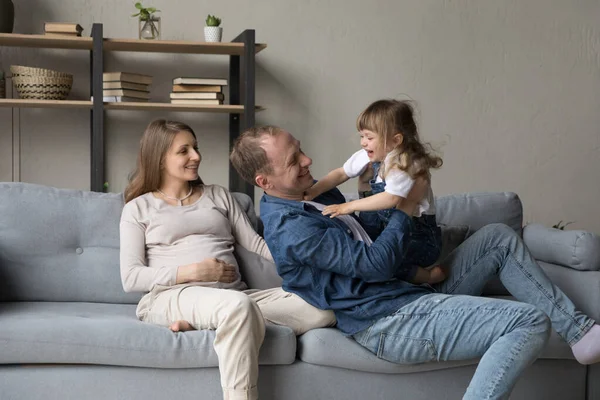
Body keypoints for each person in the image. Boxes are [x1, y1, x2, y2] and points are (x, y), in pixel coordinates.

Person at [230, 125, 600, 400]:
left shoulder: (315, 192)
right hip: (387, 320)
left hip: (407, 291)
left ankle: (581, 334)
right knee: (528, 321)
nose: (308, 160)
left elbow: (375, 230)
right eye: (294, 160)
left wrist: (387, 187)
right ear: (265, 180)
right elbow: (375, 263)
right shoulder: (290, 228)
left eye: (301, 149)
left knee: (497, 238)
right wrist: (405, 207)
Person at [119, 119, 335, 400]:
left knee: (325, 305)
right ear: (159, 159)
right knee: (237, 307)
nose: (196, 156)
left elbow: (257, 244)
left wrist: (311, 261)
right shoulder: (138, 208)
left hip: (237, 298)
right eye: (183, 151)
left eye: (195, 147)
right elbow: (131, 277)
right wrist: (193, 272)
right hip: (172, 296)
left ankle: (206, 322)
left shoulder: (218, 195)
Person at [304, 99, 444, 285]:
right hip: (390, 226)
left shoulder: (404, 163)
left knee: (385, 260)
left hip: (420, 237)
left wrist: (348, 206)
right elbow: (341, 173)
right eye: (362, 136)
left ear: (395, 140)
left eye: (369, 138)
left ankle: (427, 277)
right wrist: (313, 191)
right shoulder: (371, 154)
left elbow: (391, 198)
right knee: (365, 249)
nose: (363, 143)